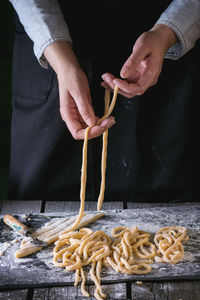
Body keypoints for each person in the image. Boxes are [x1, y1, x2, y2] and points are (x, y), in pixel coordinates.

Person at [8, 0, 200, 202]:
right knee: (39, 205)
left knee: (168, 203)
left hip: (165, 57)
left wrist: (166, 33)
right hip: (49, 55)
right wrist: (61, 60)